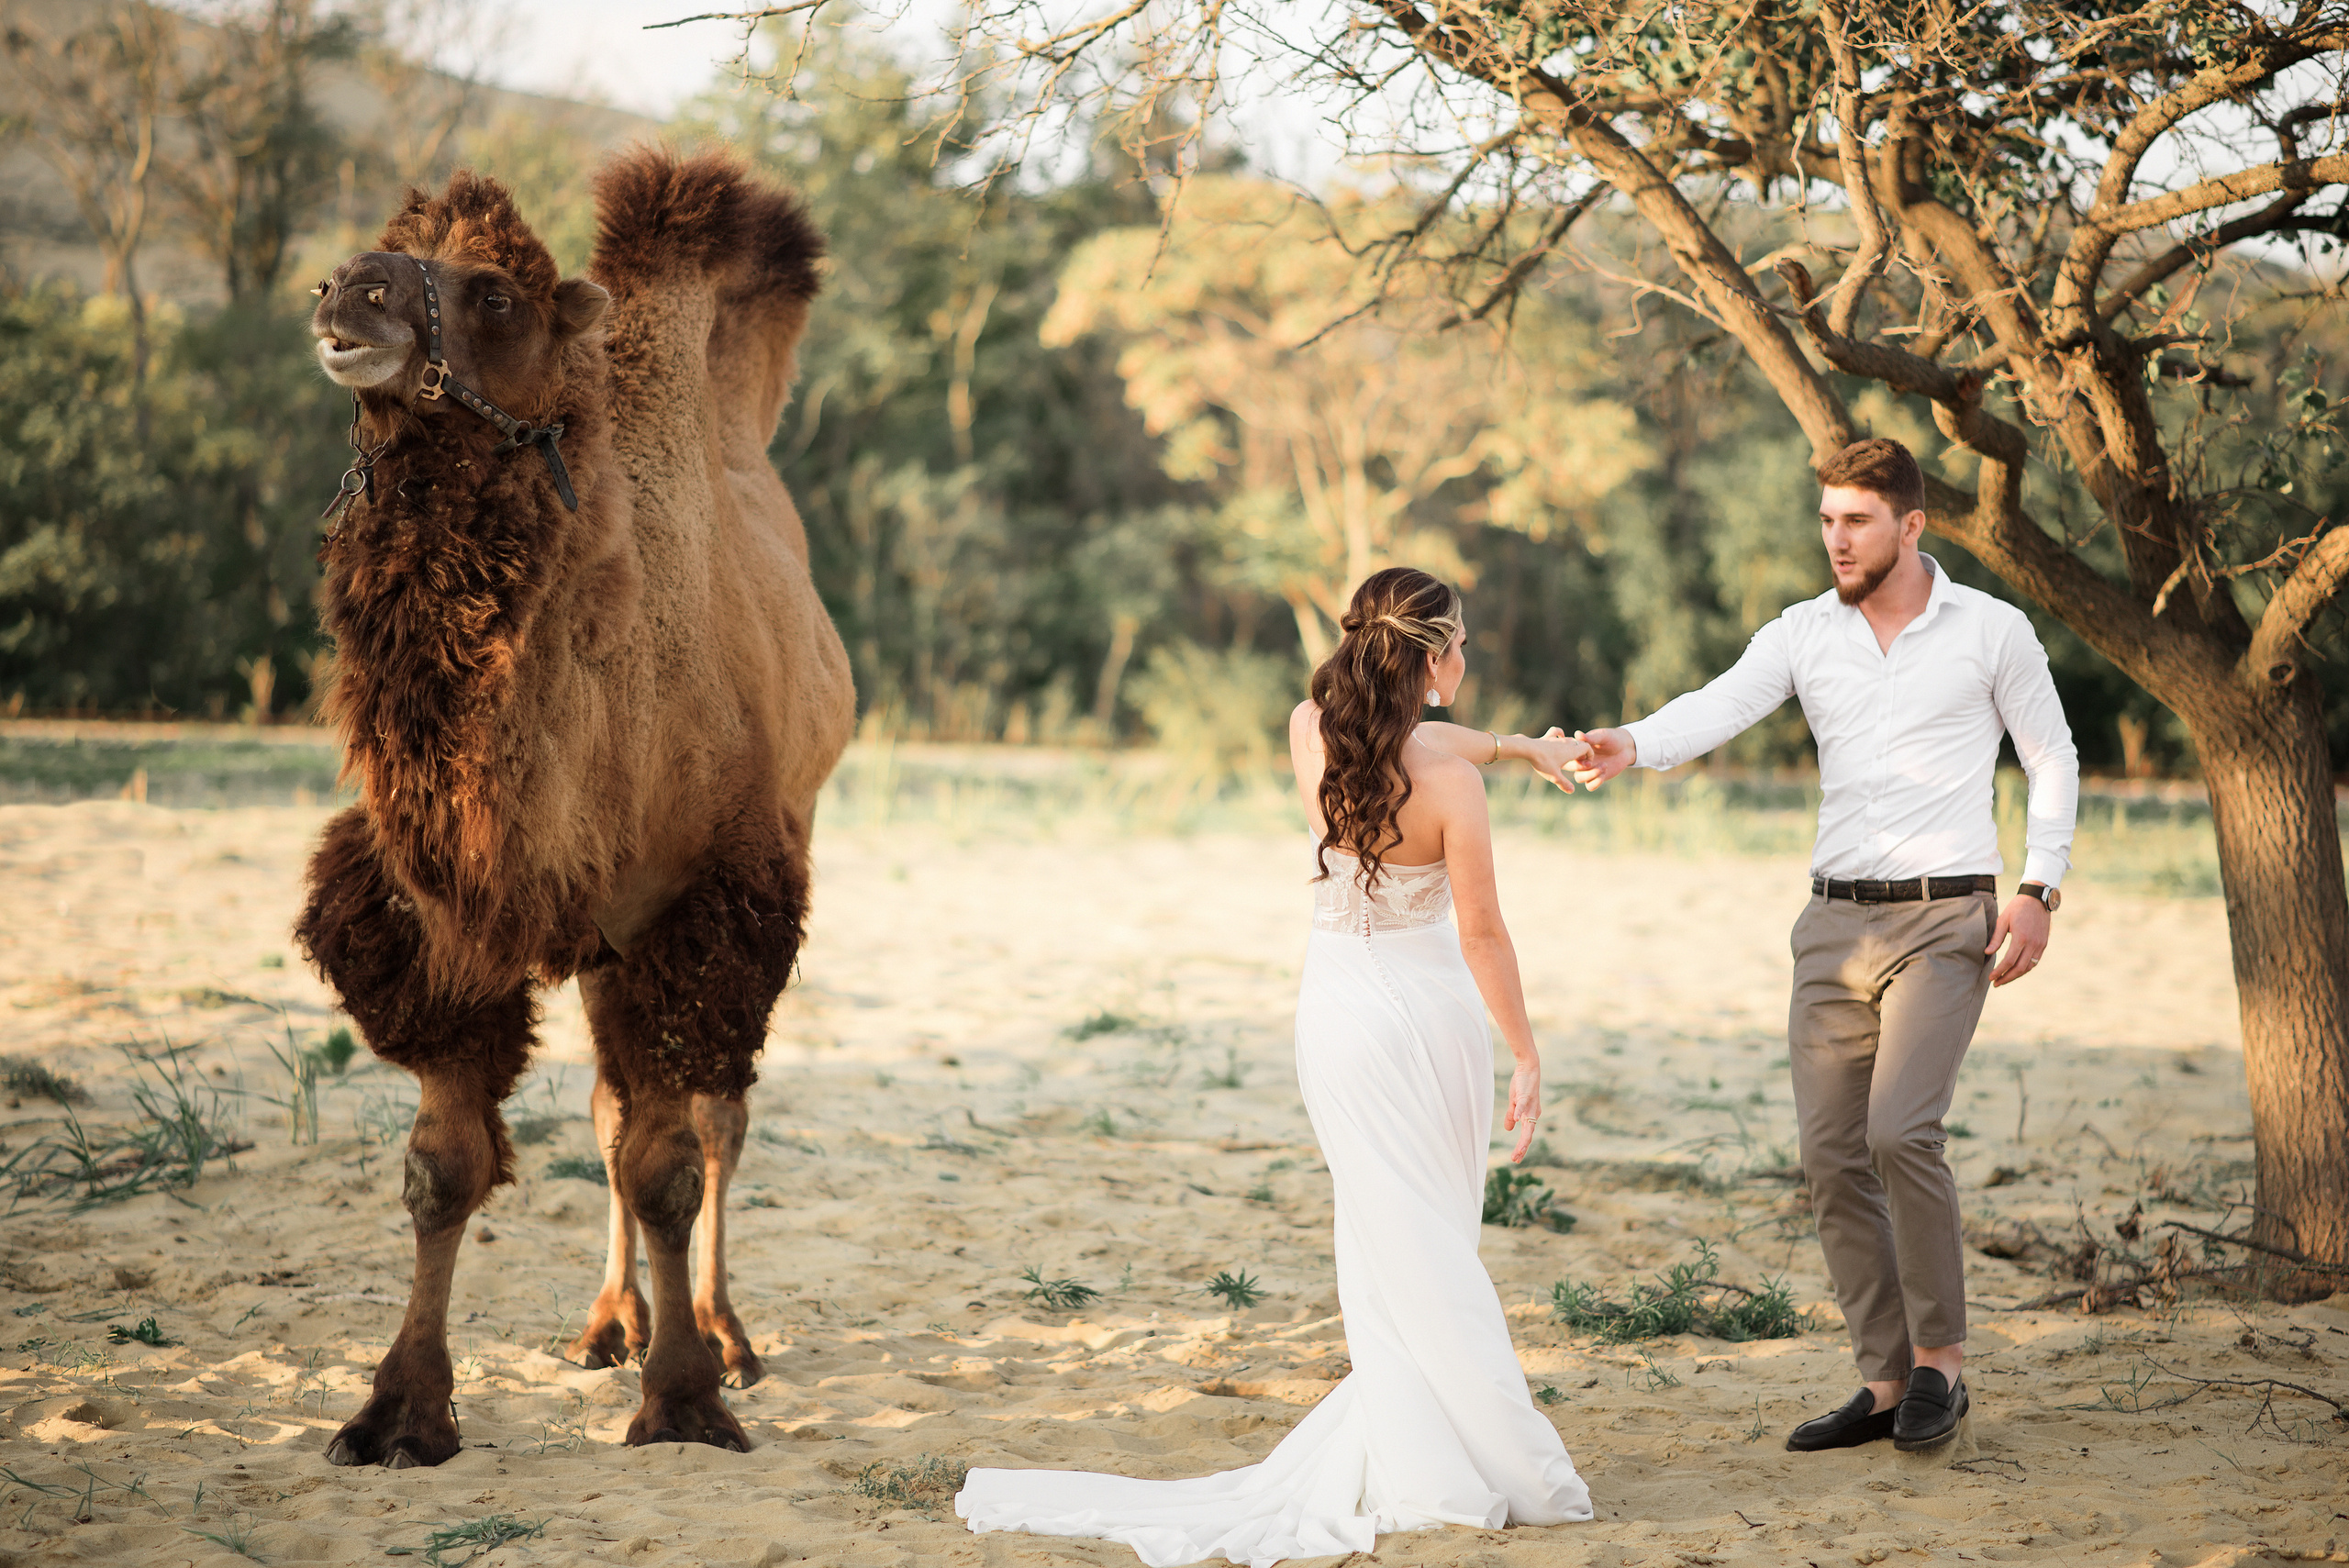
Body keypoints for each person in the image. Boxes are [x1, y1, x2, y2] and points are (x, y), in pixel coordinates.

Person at [955, 567, 1596, 1567]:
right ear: (1429, 658)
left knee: (1388, 1242)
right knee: (1432, 1240)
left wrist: (1521, 746)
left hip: (1336, 1019)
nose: (1466, 660)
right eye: (1459, 643)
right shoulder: (1450, 784)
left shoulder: (1311, 727)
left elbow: (1443, 743)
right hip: (1426, 1022)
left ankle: (1420, 1447)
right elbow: (1483, 935)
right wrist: (1524, 1050)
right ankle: (1499, 1464)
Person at [1571, 438, 2079, 1454]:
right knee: (1829, 1155)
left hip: (1946, 918)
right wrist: (1631, 741)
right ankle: (1885, 1382)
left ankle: (1942, 1363)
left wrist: (2038, 886)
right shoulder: (1804, 632)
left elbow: (2050, 753)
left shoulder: (1990, 629)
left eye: (1855, 520)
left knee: (1900, 1130)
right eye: (1826, 519)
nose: (1836, 538)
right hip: (1831, 924)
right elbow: (1719, 703)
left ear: (1910, 524)